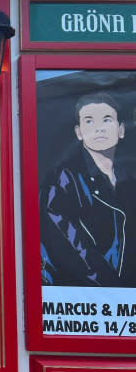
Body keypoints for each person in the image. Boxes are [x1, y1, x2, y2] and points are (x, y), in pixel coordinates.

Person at [40, 92, 135, 287]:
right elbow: (72, 248)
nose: (99, 128)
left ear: (121, 130)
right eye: (89, 121)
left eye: (107, 120)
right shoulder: (63, 180)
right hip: (84, 299)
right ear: (79, 132)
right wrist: (113, 292)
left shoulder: (129, 180)